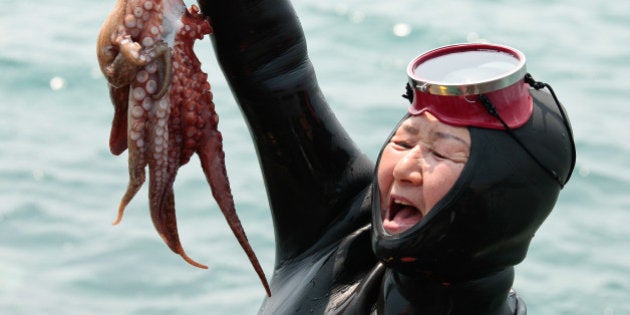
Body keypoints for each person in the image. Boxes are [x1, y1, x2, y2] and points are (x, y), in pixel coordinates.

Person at [198, 0, 576, 314]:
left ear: (499, 198)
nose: (407, 170)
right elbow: (271, 63)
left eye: (441, 152)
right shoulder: (339, 225)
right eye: (404, 142)